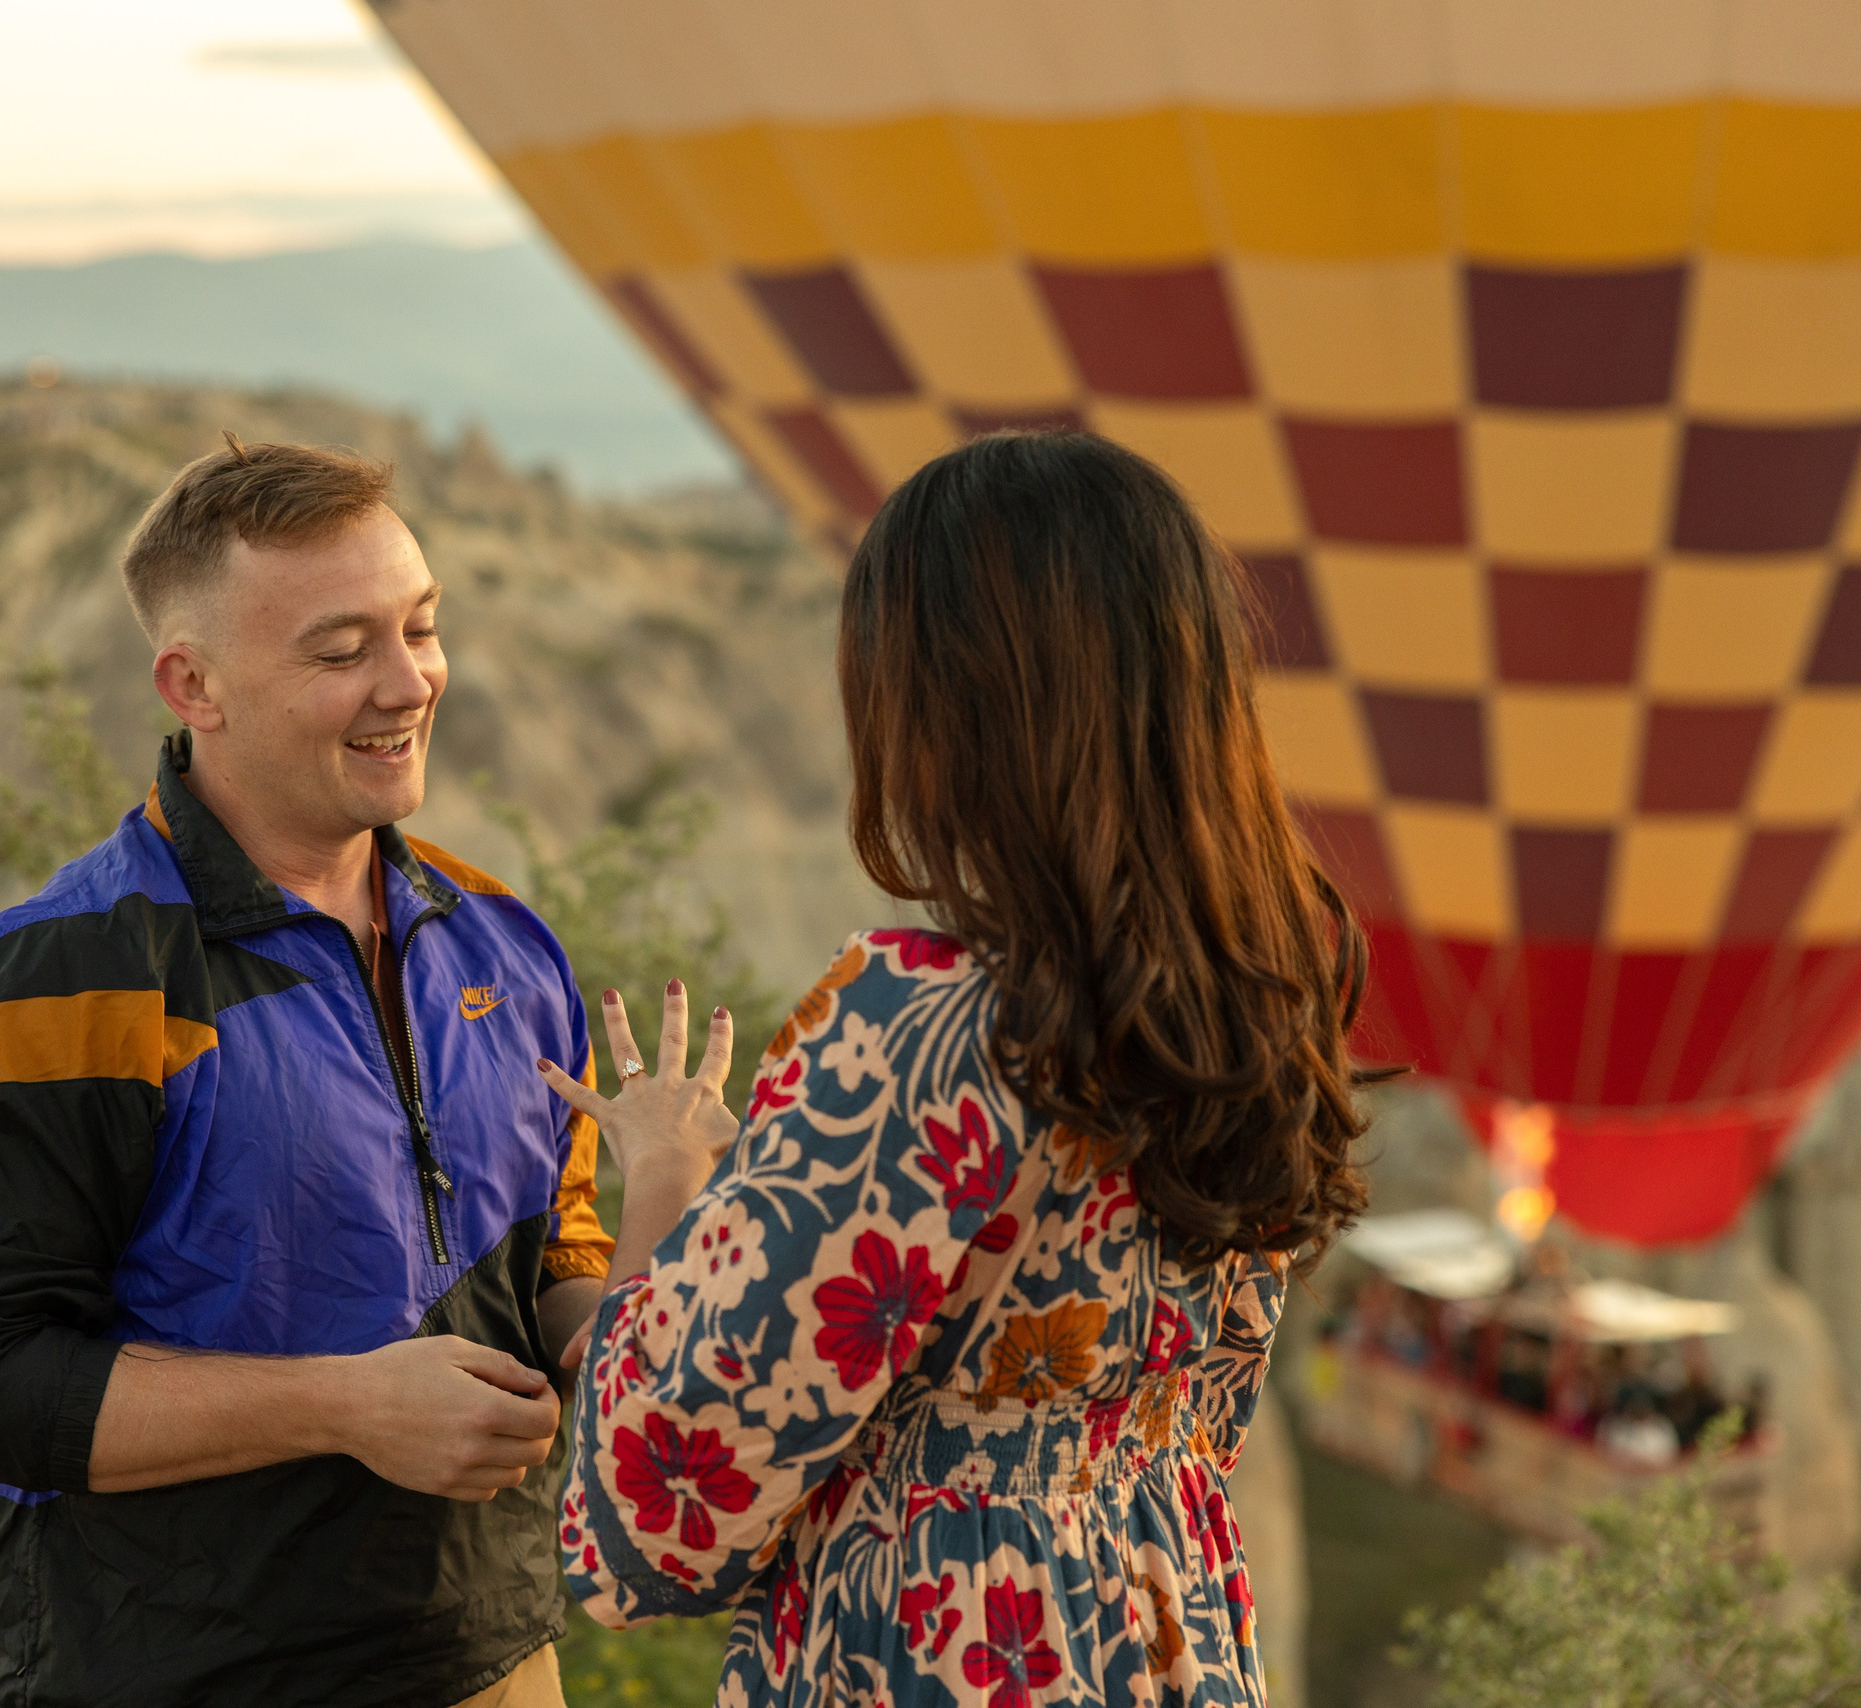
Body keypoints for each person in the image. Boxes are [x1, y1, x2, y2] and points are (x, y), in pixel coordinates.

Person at [541, 432, 1378, 1705]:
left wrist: (670, 1174)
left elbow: (666, 1499)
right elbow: (1211, 1399)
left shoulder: (919, 1021)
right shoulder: (1252, 995)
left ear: (941, 705)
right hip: (1166, 1623)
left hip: (938, 1639)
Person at [0, 438, 612, 1708]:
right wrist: (344, 1405)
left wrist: (655, 1286)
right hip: (175, 1669)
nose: (408, 682)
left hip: (494, 1661)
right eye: (340, 650)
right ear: (194, 683)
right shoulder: (58, 982)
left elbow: (551, 1243)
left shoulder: (500, 940)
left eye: (422, 627)